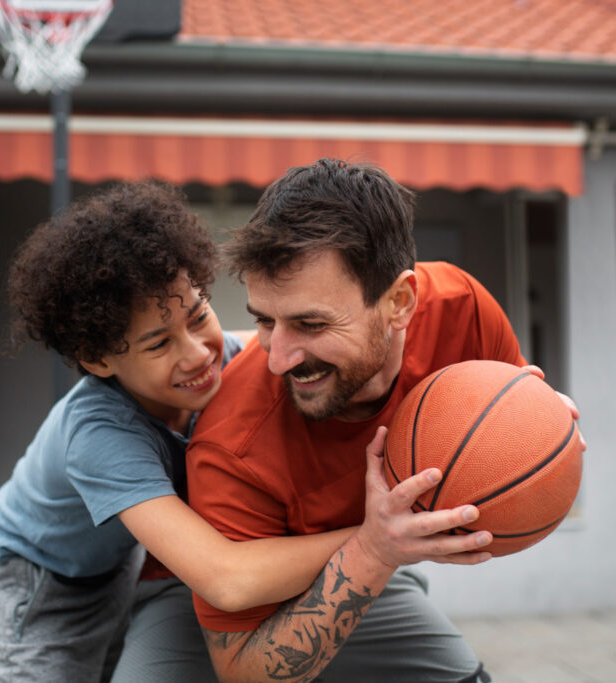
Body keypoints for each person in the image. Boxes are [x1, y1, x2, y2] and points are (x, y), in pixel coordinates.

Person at [178, 159, 582, 682]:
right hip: (228, 605)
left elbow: (510, 446)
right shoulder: (232, 444)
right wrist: (373, 549)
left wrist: (543, 432)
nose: (278, 357)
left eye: (311, 323)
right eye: (265, 321)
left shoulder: (462, 309)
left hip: (381, 575)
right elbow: (243, 672)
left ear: (399, 302)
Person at [0, 181, 365, 682]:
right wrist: (374, 541)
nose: (199, 353)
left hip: (116, 558)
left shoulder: (226, 359)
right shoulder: (99, 435)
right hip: (39, 574)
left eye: (199, 315)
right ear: (99, 360)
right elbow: (225, 577)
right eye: (159, 345)